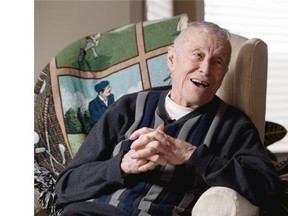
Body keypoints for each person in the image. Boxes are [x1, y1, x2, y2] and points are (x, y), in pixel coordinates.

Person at [55, 21, 284, 215]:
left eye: (217, 62)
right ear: (172, 60)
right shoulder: (129, 106)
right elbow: (66, 186)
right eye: (198, 56)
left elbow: (269, 191)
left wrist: (190, 155)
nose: (205, 69)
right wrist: (122, 165)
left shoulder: (233, 126)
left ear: (223, 74)